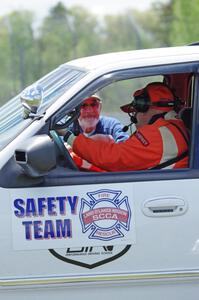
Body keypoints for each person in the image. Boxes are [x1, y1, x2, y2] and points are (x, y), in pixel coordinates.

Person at [65, 82, 189, 172]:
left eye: (135, 110)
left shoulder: (158, 134)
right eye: (84, 106)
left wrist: (68, 136)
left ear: (145, 107)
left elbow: (113, 158)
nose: (133, 116)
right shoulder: (170, 126)